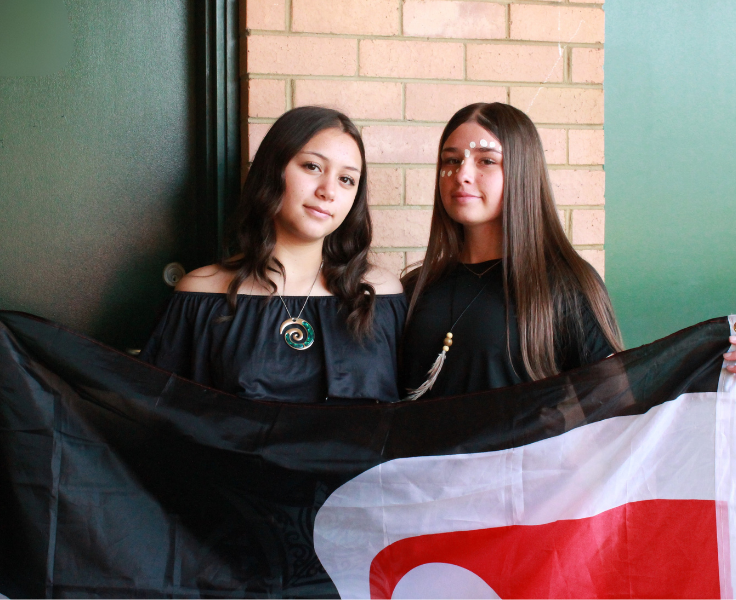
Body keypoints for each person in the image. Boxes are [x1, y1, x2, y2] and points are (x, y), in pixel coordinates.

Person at [141, 106, 405, 403]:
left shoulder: (381, 296)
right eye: (312, 167)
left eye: (347, 179)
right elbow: (160, 416)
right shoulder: (201, 295)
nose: (328, 191)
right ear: (272, 169)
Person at [400, 102, 624, 400]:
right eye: (451, 160)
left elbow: (614, 407)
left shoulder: (566, 285)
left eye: (486, 161)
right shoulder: (415, 287)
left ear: (522, 171)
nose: (461, 174)